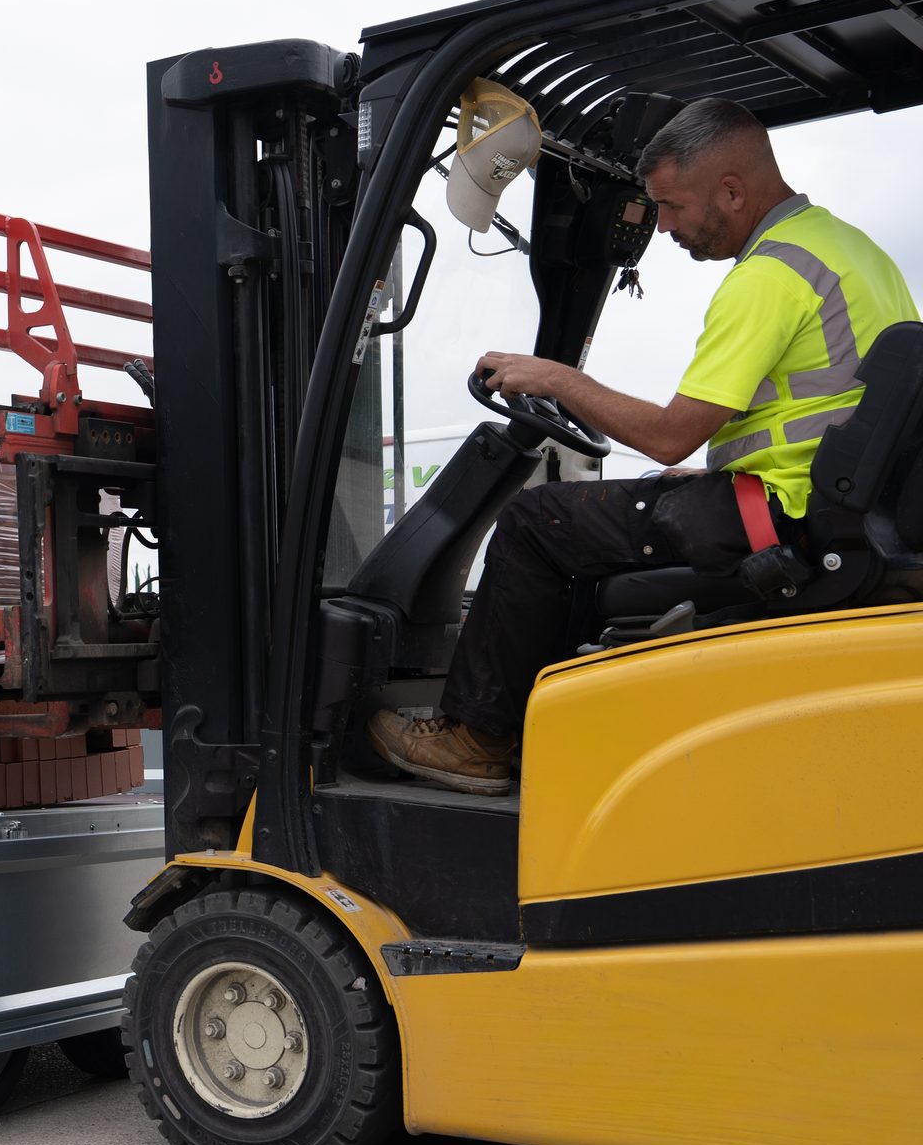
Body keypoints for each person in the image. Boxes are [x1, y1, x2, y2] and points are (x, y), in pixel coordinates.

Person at [368, 97, 919, 795]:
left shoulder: (768, 278)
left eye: (671, 206)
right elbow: (826, 411)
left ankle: (476, 739)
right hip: (838, 508)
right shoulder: (853, 253)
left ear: (731, 190)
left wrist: (556, 377)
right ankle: (545, 731)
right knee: (595, 527)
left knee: (539, 523)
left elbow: (665, 435)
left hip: (787, 518)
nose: (665, 228)